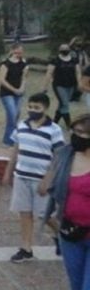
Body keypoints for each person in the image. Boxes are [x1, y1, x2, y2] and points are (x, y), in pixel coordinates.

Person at [2, 93, 63, 262]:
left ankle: (62, 236)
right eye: (30, 107)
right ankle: (26, 248)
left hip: (41, 179)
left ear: (45, 108)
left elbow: (58, 157)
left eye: (37, 108)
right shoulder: (21, 126)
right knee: (25, 213)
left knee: (45, 215)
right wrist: (8, 172)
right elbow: (15, 150)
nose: (32, 110)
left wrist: (48, 180)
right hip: (22, 176)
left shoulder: (54, 130)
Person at [41, 114, 90, 290]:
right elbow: (51, 183)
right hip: (71, 232)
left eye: (80, 132)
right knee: (76, 284)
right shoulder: (66, 155)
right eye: (73, 130)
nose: (74, 135)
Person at [43, 43, 82, 127]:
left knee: (62, 104)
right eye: (62, 48)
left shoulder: (74, 60)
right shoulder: (55, 60)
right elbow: (49, 73)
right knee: (65, 104)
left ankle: (54, 122)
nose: (64, 50)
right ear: (59, 50)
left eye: (66, 48)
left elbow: (78, 72)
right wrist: (45, 87)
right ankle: (69, 124)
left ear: (69, 49)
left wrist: (79, 83)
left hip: (71, 85)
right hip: (59, 85)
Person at [0, 44, 28, 148]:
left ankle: (8, 139)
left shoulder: (24, 64)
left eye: (20, 52)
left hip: (19, 94)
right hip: (6, 94)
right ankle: (9, 141)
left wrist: (21, 89)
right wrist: (14, 89)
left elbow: (24, 78)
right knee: (13, 114)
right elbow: (2, 80)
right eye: (17, 52)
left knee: (14, 116)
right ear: (12, 51)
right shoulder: (5, 64)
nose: (18, 54)